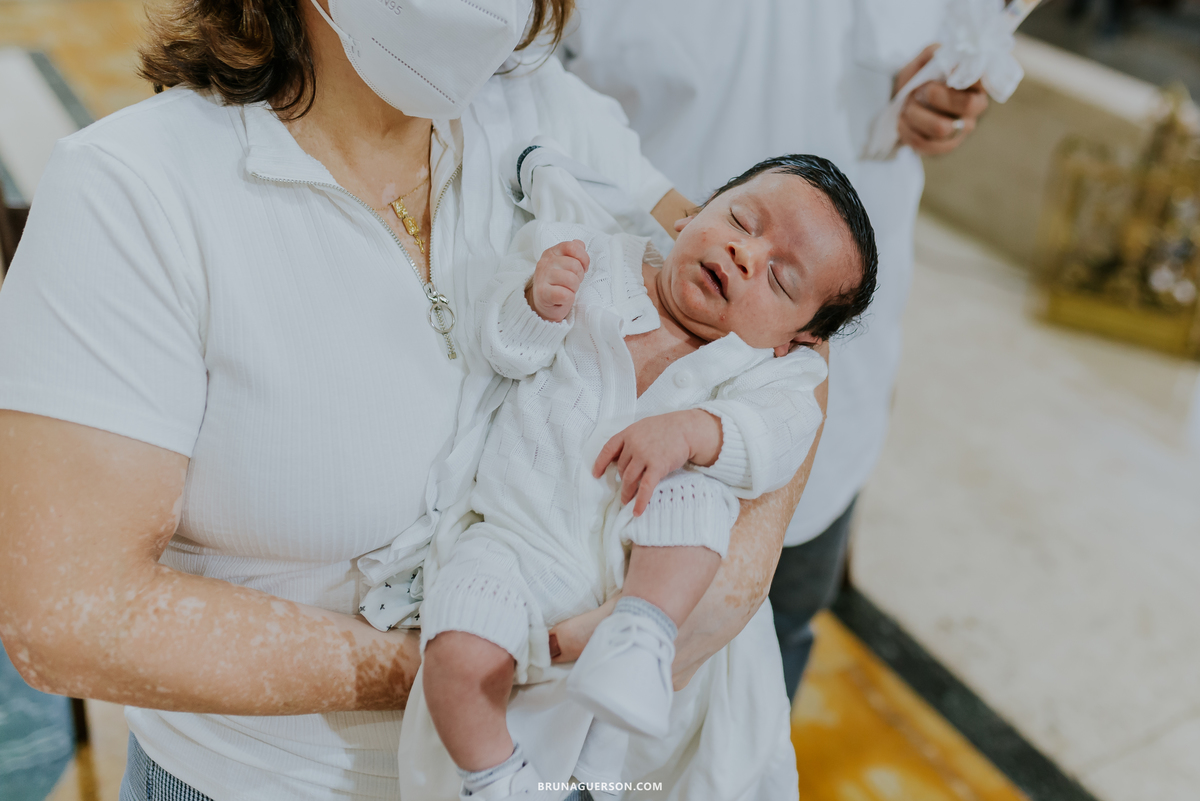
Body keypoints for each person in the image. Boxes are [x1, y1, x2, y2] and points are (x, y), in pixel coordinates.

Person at [0, 1, 827, 799]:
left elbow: (793, 337)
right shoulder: (135, 191)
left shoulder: (540, 106)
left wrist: (705, 592)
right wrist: (480, 667)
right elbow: (72, 616)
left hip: (575, 765)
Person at [409, 151, 874, 798]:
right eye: (741, 219)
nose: (746, 254)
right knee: (455, 653)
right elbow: (504, 355)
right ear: (689, 215)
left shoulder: (766, 372)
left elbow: (778, 438)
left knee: (699, 494)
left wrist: (696, 431)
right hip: (520, 538)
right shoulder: (595, 260)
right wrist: (535, 304)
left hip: (651, 578)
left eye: (781, 279)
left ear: (795, 340)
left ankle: (639, 638)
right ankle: (495, 777)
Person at [562, 0, 990, 700]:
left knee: (772, 646)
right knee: (578, 682)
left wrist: (950, 102)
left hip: (824, 402)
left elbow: (961, 60)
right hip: (610, 393)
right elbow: (520, 101)